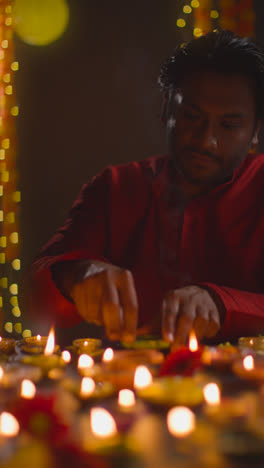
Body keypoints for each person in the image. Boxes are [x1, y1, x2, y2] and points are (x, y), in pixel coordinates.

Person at [30, 29, 264, 346]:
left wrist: (222, 303)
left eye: (229, 125)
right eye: (191, 116)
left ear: (255, 133)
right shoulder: (115, 187)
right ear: (166, 110)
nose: (206, 141)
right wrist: (80, 275)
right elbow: (40, 287)